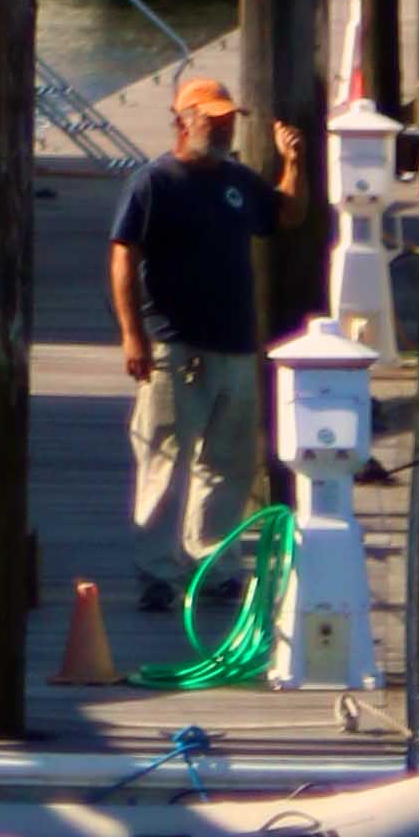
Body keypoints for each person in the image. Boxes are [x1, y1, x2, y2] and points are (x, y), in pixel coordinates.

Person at [109, 68, 307, 604]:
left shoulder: (237, 180)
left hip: (237, 345)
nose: (223, 130)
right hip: (176, 344)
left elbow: (287, 215)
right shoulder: (155, 182)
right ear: (183, 121)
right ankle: (156, 572)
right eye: (213, 121)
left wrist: (293, 165)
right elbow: (124, 254)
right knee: (164, 457)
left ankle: (214, 565)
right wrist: (133, 335)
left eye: (228, 122)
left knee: (229, 463)